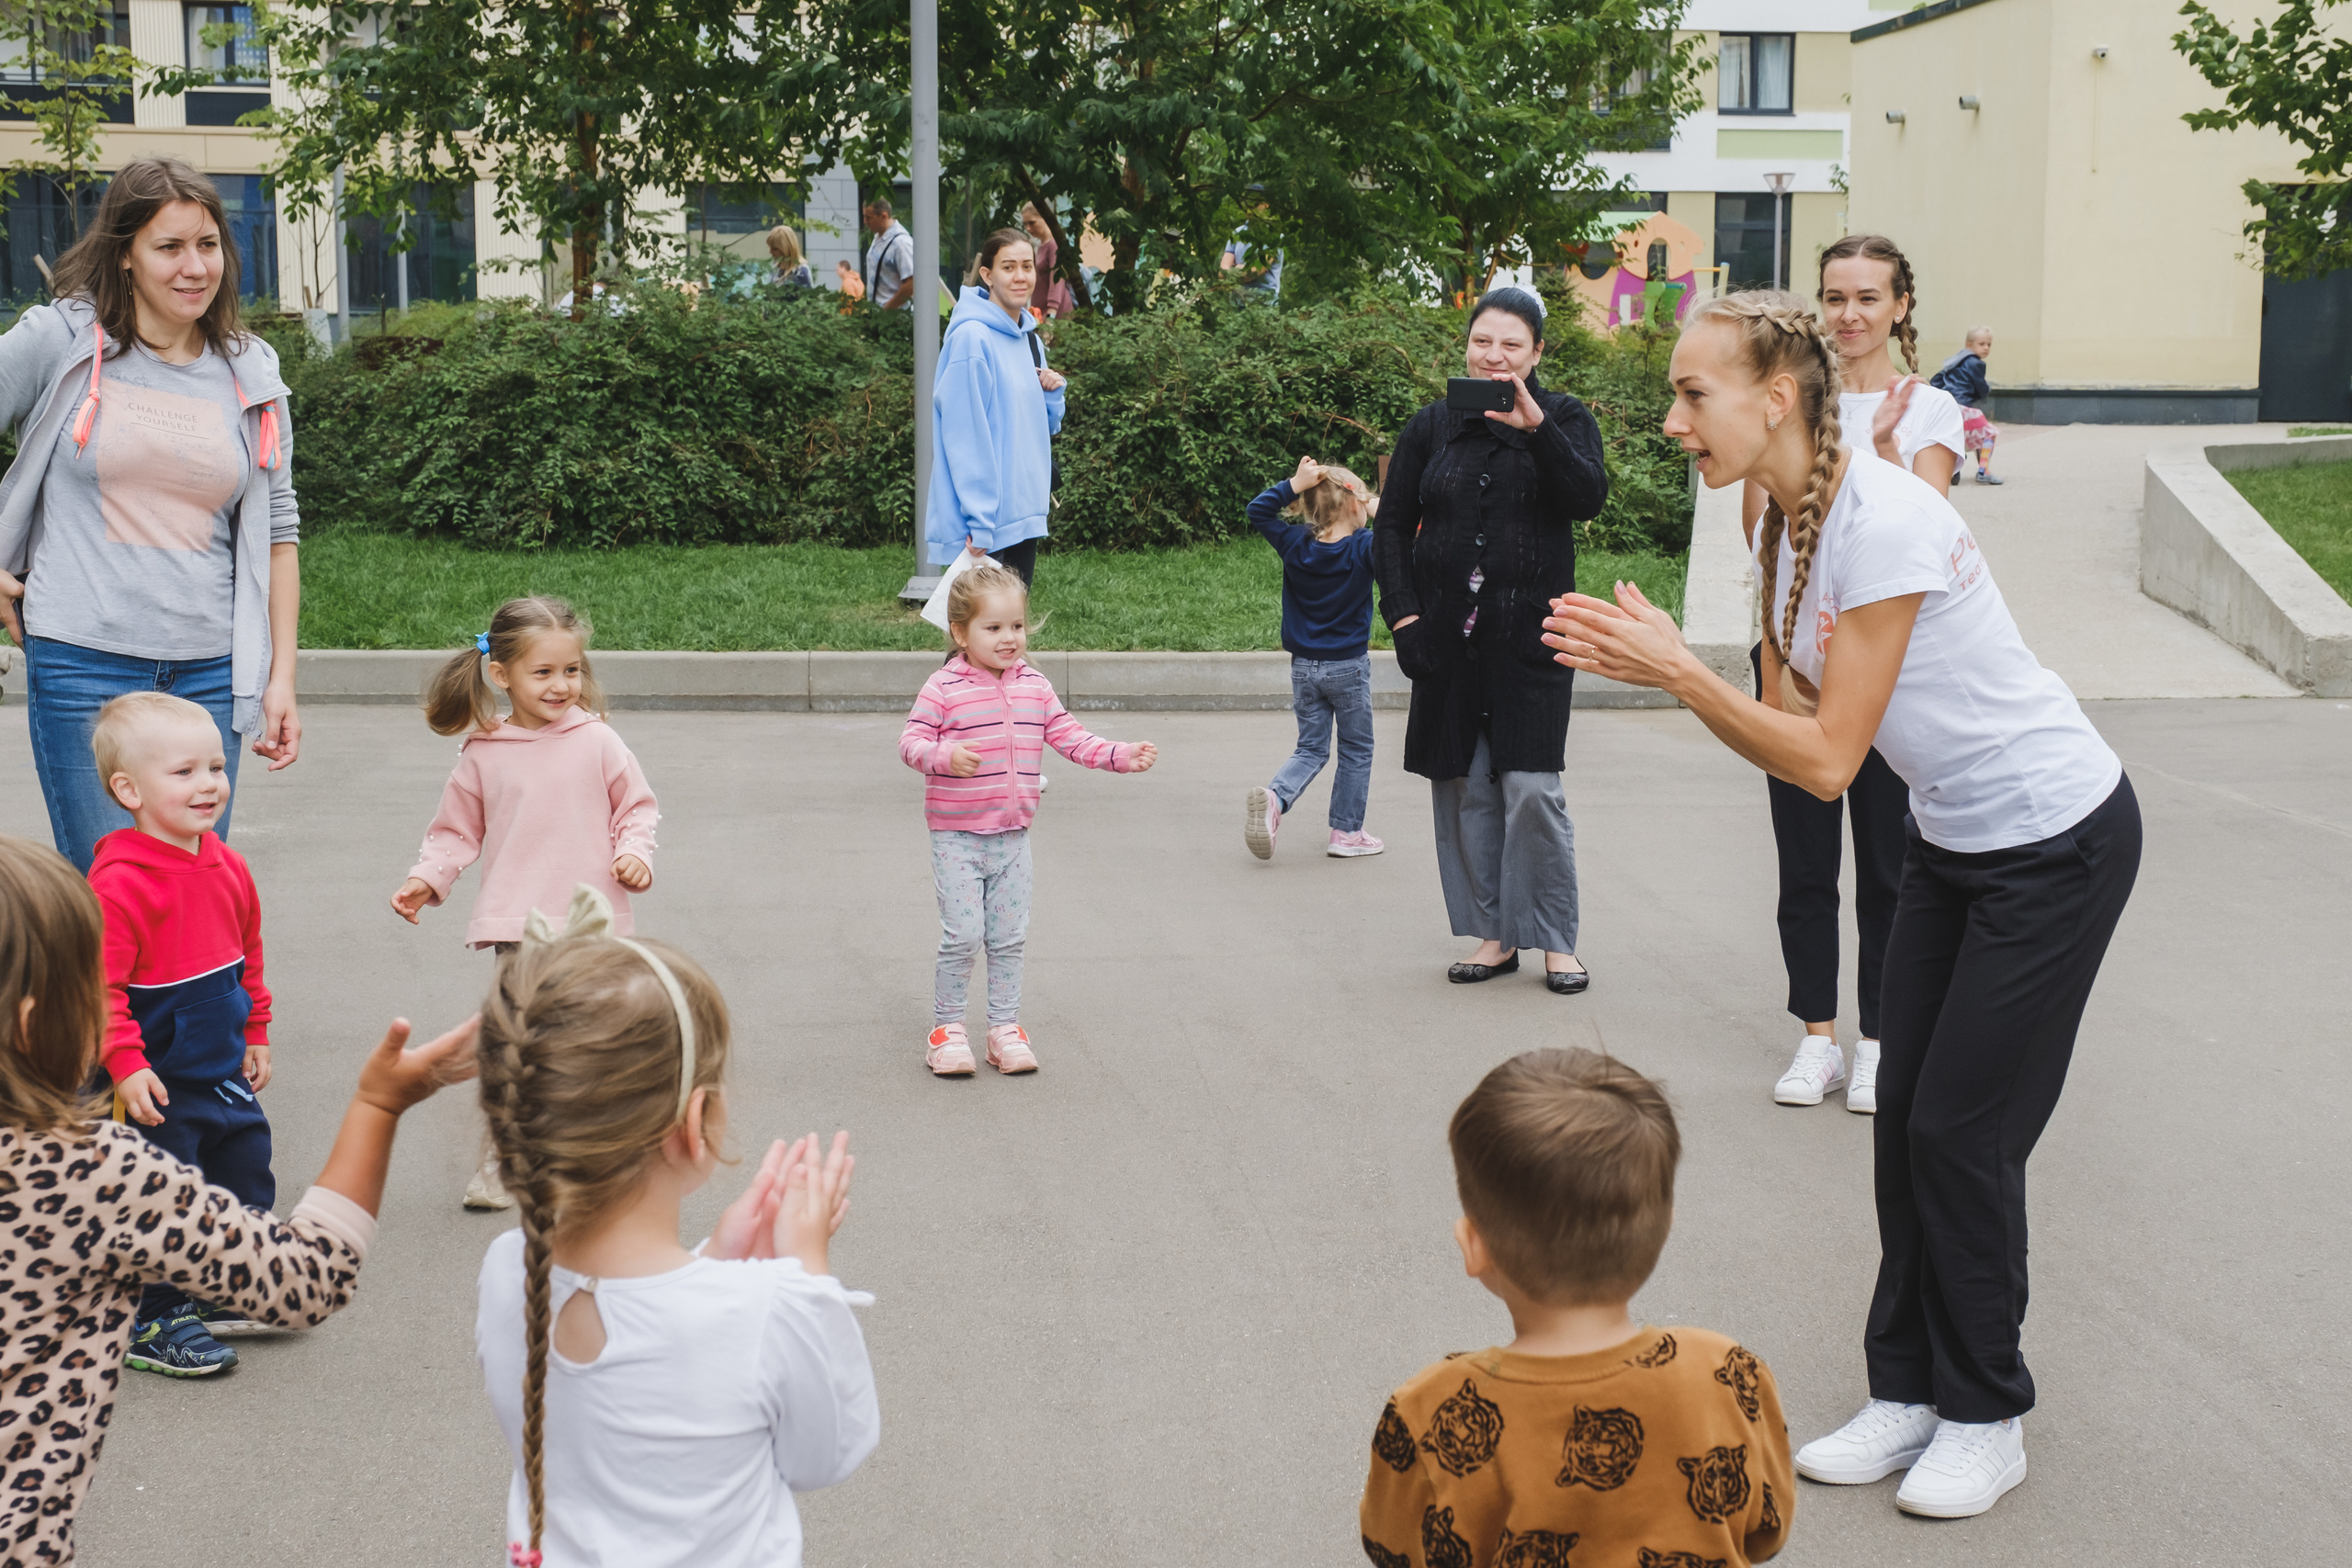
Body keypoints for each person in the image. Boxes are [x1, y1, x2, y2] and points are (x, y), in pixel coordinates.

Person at [1544, 290, 2141, 1519]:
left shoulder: (1884, 520)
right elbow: (1790, 738)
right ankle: (1909, 1388)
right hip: (1951, 840)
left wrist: (1675, 673)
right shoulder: (1781, 517)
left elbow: (1826, 757)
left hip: (2054, 840)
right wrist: (1689, 676)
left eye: (1691, 394)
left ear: (1776, 399)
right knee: (1903, 1115)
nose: (1670, 420)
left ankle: (1987, 1409)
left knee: (1957, 1132)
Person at [0, 831, 478, 1566]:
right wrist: (380, 1106)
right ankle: (161, 1322)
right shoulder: (89, 1171)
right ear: (38, 1022)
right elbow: (304, 1277)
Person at [475, 889, 878, 1568]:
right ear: (696, 1123)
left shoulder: (507, 1266)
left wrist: (714, 1258)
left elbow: (635, 1323)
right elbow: (830, 1453)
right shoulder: (765, 1311)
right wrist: (809, 1273)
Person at [1359, 1048, 1794, 1567]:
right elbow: (1766, 1529)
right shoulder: (1727, 1372)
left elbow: (1397, 1549)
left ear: (1473, 1246)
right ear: (1665, 1226)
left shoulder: (1430, 1408)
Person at [0, 156, 303, 874]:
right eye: (169, 247)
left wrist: (279, 676)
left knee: (187, 896)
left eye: (207, 246)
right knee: (111, 897)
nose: (194, 267)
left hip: (209, 672)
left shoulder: (249, 370)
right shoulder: (63, 340)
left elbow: (278, 535)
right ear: (126, 254)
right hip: (81, 662)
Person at [1740, 235, 1965, 1112]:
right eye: (1835, 296)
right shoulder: (1789, 398)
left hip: (1882, 678)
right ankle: (1817, 1039)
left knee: (1888, 872)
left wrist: (1875, 449)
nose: (1850, 313)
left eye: (1870, 296)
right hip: (1797, 661)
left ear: (1901, 307)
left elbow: (1927, 532)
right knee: (1803, 867)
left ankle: (1879, 1039)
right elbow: (1761, 533)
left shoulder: (1929, 410)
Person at [1372, 287, 1608, 996]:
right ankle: (1496, 933)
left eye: (1512, 344)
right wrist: (1405, 617)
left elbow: (1587, 496)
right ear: (1466, 343)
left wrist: (1537, 428)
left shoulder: (1563, 416)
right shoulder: (1431, 425)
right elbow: (1389, 528)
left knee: (1532, 787)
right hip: (1446, 642)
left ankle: (1556, 939)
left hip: (1530, 639)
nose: (1494, 355)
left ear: (1537, 353)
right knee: (1466, 788)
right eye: (1483, 341)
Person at [390, 596, 658, 1209]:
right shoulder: (484, 752)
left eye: (572, 670)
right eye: (544, 672)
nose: (562, 684)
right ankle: (504, 1161)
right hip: (520, 923)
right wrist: (428, 879)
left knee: (594, 1041)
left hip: (595, 924)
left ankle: (596, 1153)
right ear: (500, 674)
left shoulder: (599, 741)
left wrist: (635, 854)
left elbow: (636, 809)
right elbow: (455, 831)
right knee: (517, 1044)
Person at [899, 563, 1157, 1077]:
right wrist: (945, 756)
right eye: (992, 628)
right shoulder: (943, 687)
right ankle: (946, 1030)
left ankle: (1003, 1028)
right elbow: (911, 743)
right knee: (964, 935)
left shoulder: (1034, 686)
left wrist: (1118, 755)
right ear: (960, 632)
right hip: (957, 837)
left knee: (1009, 937)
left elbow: (1070, 736)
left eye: (1016, 625)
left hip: (1013, 837)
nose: (1009, 637)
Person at [86, 693, 277, 1376]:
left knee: (244, 1172)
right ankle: (151, 1314)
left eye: (216, 768)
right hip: (155, 1079)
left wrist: (256, 1026)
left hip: (220, 1066)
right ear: (128, 789)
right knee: (161, 1193)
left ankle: (219, 1285)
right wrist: (125, 1064)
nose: (209, 785)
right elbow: (100, 989)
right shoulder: (119, 884)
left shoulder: (225, 864)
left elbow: (247, 952)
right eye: (185, 772)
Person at [1242, 455, 1383, 860]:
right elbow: (1401, 530)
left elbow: (1258, 510)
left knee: (1311, 749)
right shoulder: (1364, 547)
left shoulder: (1295, 543)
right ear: (1354, 504)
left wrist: (1293, 482)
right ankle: (1347, 833)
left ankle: (1275, 799)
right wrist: (1371, 499)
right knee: (1356, 749)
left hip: (1304, 668)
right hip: (1348, 668)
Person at [927, 227, 1066, 587]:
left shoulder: (1029, 340)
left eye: (1027, 266)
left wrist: (1052, 395)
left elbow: (1042, 429)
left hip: (1023, 518)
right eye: (1008, 267)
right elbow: (965, 436)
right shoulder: (972, 339)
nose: (1021, 276)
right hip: (985, 527)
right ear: (987, 275)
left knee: (1004, 636)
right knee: (976, 635)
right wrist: (979, 520)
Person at [1931, 328, 2001, 485]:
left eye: (1989, 344)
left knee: (1957, 437)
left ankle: (1954, 472)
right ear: (1969, 345)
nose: (1986, 348)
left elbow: (1937, 380)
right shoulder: (1976, 363)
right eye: (1981, 344)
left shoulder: (1955, 361)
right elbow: (1981, 387)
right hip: (1963, 406)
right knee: (1988, 433)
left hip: (1949, 406)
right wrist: (1984, 393)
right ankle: (1983, 471)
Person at [1021, 202, 1076, 319]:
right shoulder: (1040, 246)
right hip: (1040, 314)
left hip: (1056, 316)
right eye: (1025, 224)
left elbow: (1056, 281)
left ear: (1044, 218)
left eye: (1032, 223)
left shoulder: (1054, 245)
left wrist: (1051, 316)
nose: (1028, 228)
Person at [860, 197, 917, 311]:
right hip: (879, 317)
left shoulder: (901, 243)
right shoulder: (878, 238)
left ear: (884, 216)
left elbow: (912, 283)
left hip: (896, 319)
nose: (865, 222)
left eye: (869, 217)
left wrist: (886, 311)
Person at [1221, 230, 1283, 303]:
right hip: (1237, 303)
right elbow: (1222, 273)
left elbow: (1254, 271)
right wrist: (1242, 269)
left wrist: (1233, 268)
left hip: (1264, 303)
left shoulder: (1275, 234)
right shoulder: (1237, 231)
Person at [765, 224, 812, 288]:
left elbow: (807, 297)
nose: (770, 252)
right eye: (770, 248)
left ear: (786, 249)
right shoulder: (775, 268)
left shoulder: (800, 271)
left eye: (775, 249)